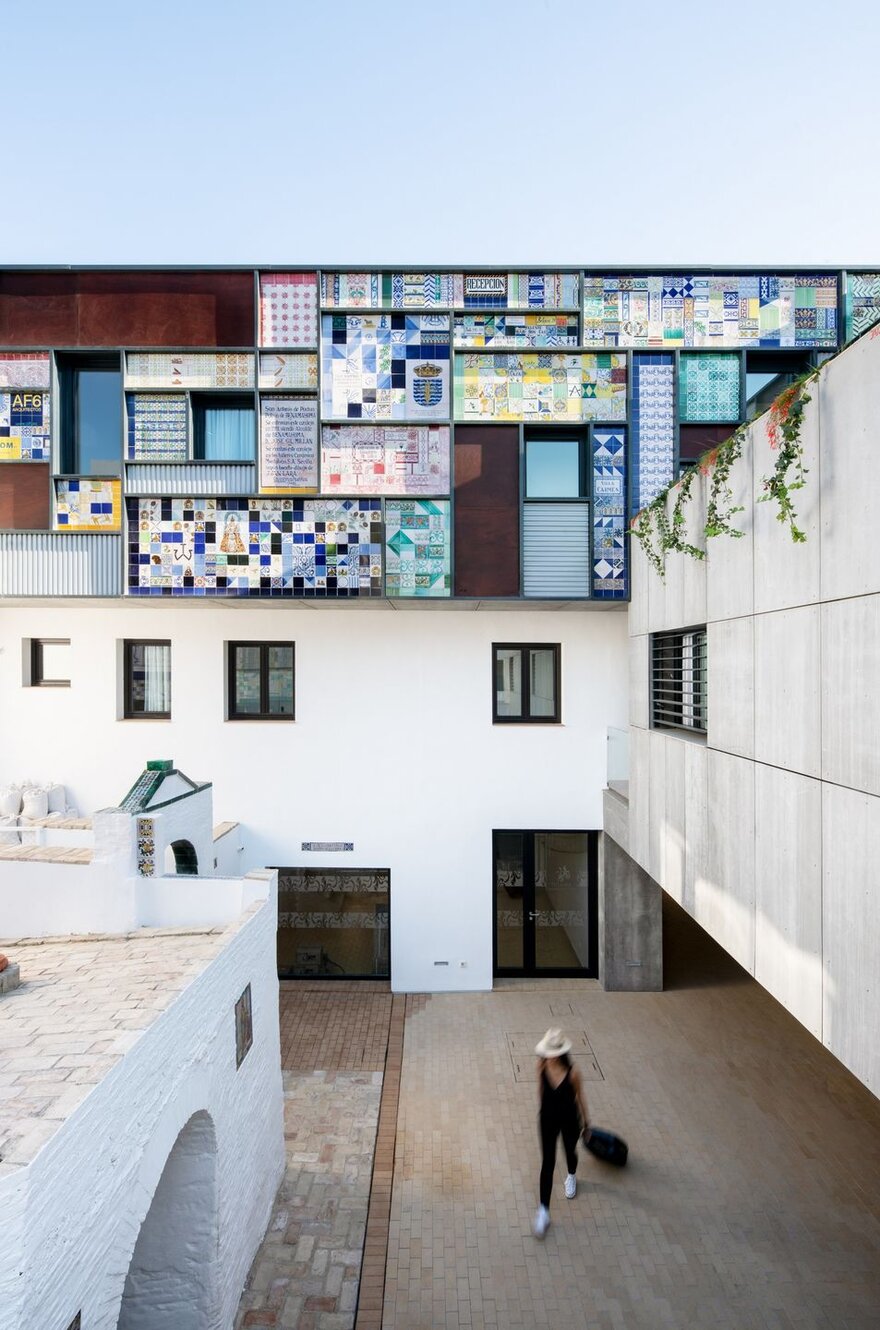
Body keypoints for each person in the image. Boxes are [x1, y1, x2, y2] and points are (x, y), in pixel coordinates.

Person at [533, 1028, 589, 1238]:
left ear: (558, 1054)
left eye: (550, 1053)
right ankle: (544, 1211)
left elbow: (580, 1097)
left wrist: (587, 1124)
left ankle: (571, 1175)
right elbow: (540, 1090)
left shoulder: (573, 1073)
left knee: (569, 1151)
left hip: (569, 1121)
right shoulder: (540, 1066)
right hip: (547, 1120)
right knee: (547, 1162)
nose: (547, 1056)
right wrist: (543, 1111)